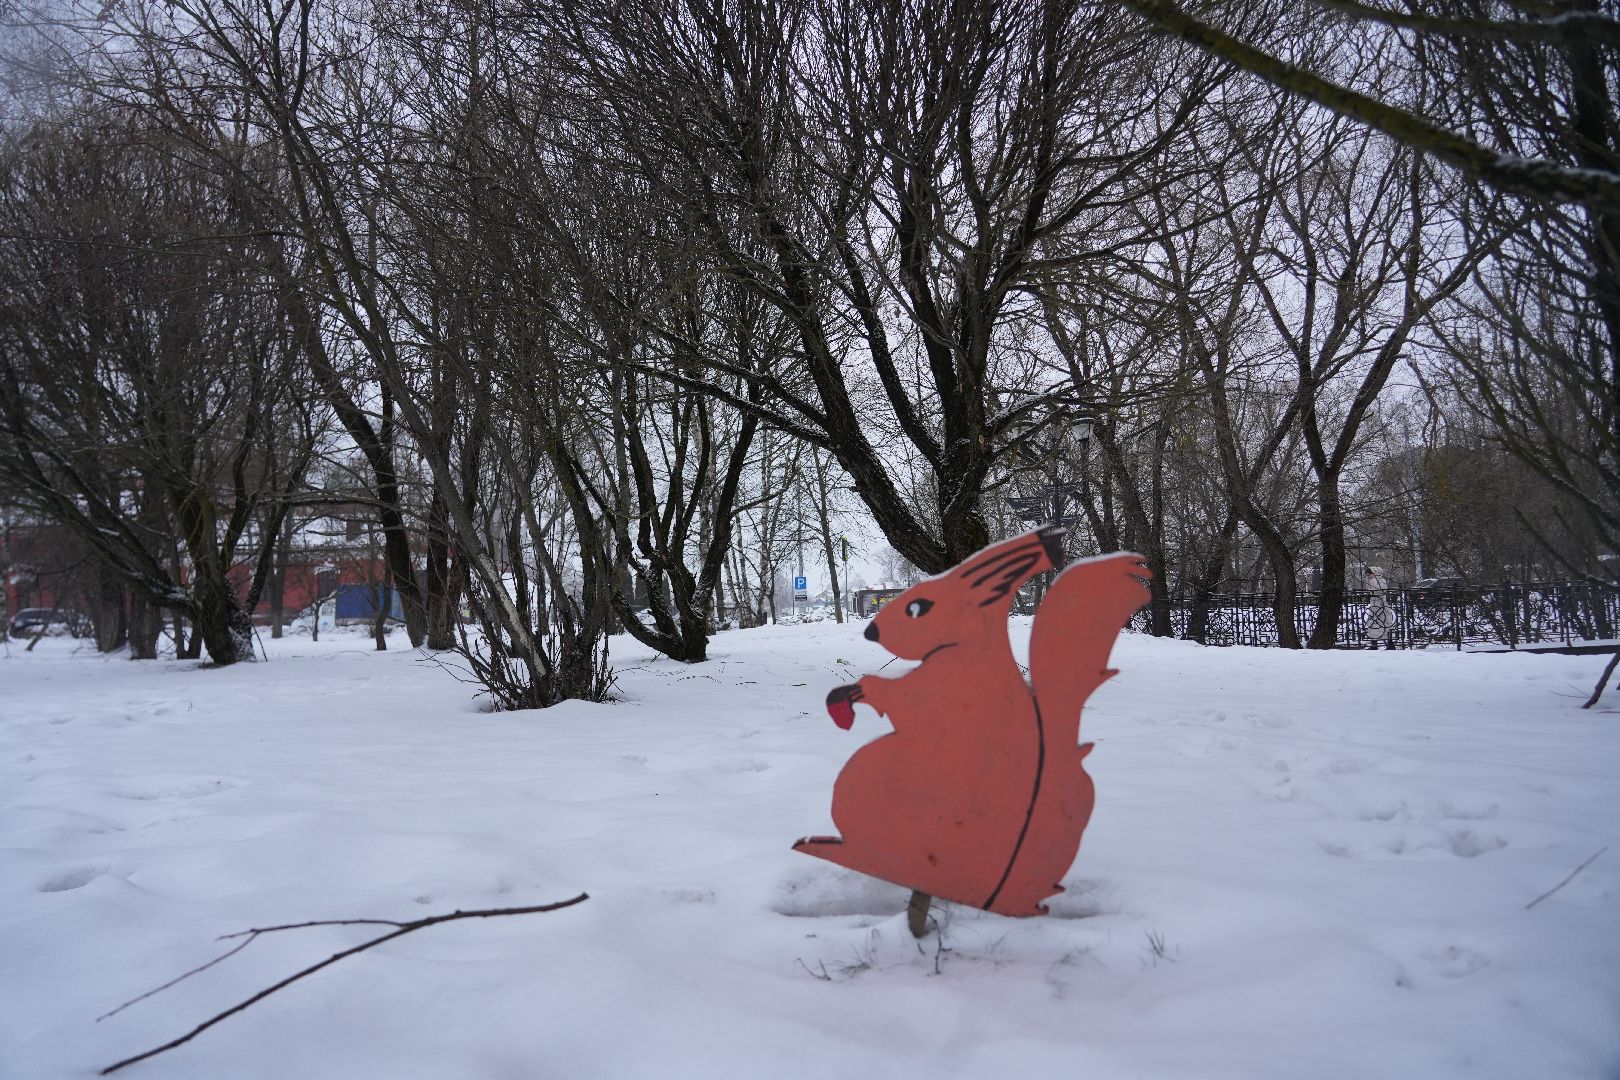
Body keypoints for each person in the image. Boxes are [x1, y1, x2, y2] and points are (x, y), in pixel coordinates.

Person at [1362, 565, 1395, 649]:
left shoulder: (1373, 580)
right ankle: (1389, 643)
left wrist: (1367, 581)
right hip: (1382, 604)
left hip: (1376, 605)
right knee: (1385, 623)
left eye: (1369, 574)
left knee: (1374, 623)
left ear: (1374, 573)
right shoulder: (1382, 580)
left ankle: (1374, 644)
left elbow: (1370, 590)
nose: (1368, 576)